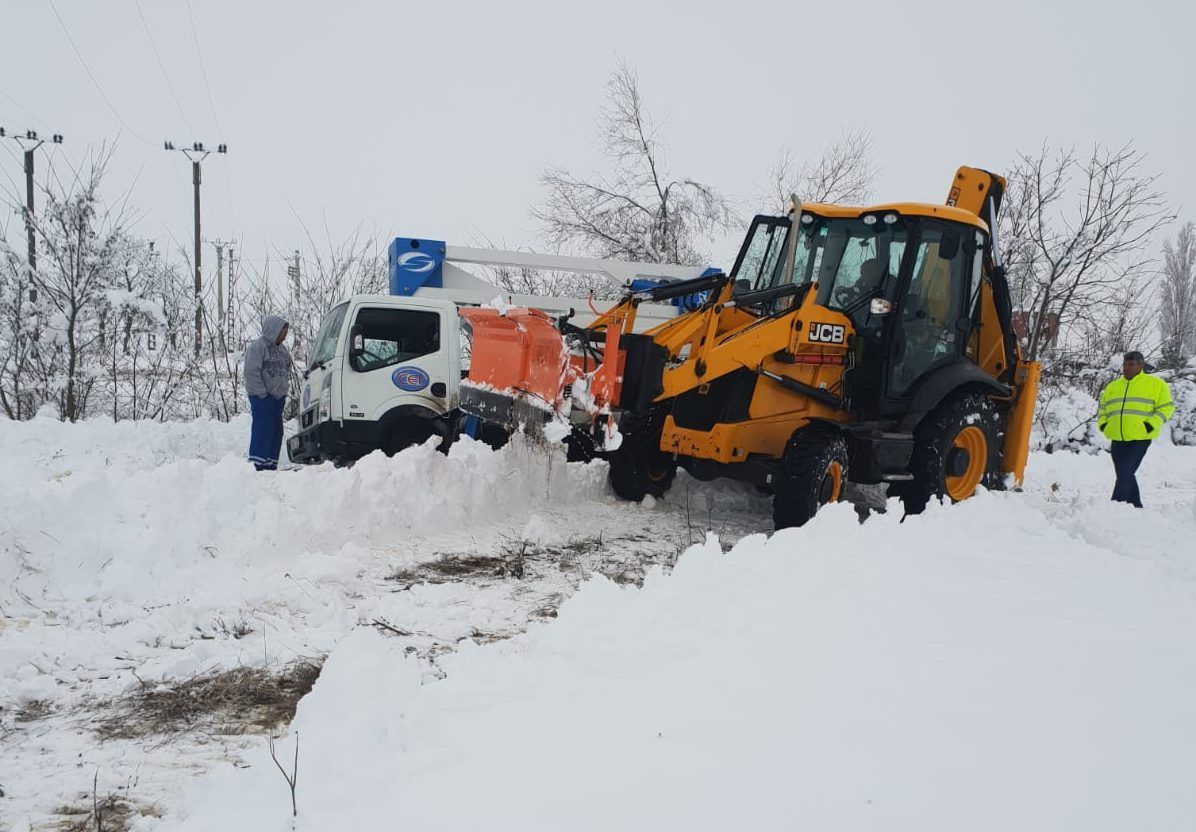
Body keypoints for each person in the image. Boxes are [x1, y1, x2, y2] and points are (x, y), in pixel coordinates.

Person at [1097, 351, 1174, 507]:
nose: (1127, 368)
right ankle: (1135, 506)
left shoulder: (1156, 384)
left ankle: (1115, 506)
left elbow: (1167, 408)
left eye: (1131, 365)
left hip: (1140, 437)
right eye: (1125, 365)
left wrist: (1150, 424)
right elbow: (1103, 408)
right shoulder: (1113, 386)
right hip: (1117, 437)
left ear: (1141, 365)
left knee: (1126, 472)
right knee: (1124, 474)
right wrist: (1104, 424)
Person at [244, 315, 293, 471]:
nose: (285, 332)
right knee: (262, 432)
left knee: (276, 433)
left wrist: (283, 392)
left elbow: (287, 370)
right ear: (274, 329)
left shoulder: (283, 351)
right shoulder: (257, 348)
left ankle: (271, 467)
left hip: (278, 400)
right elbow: (251, 373)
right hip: (262, 398)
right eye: (283, 329)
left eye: (286, 329)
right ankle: (257, 467)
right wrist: (262, 395)